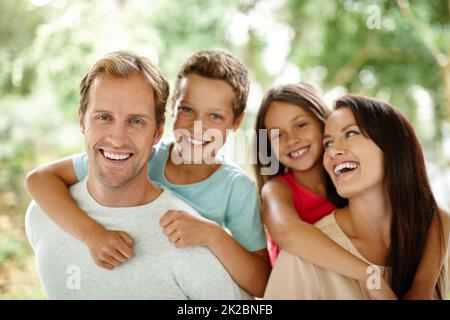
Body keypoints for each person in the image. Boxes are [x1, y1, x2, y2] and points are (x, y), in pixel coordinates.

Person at [25, 49, 271, 297]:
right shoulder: (144, 157)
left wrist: (212, 234)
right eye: (187, 110)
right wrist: (91, 234)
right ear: (173, 109)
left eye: (215, 116)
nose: (198, 126)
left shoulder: (236, 188)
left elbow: (261, 282)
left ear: (236, 122)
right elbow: (40, 179)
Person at [263, 94, 449, 299]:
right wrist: (370, 276)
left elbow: (435, 214)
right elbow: (287, 232)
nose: (333, 152)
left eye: (350, 133)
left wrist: (422, 288)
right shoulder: (299, 252)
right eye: (329, 143)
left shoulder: (433, 235)